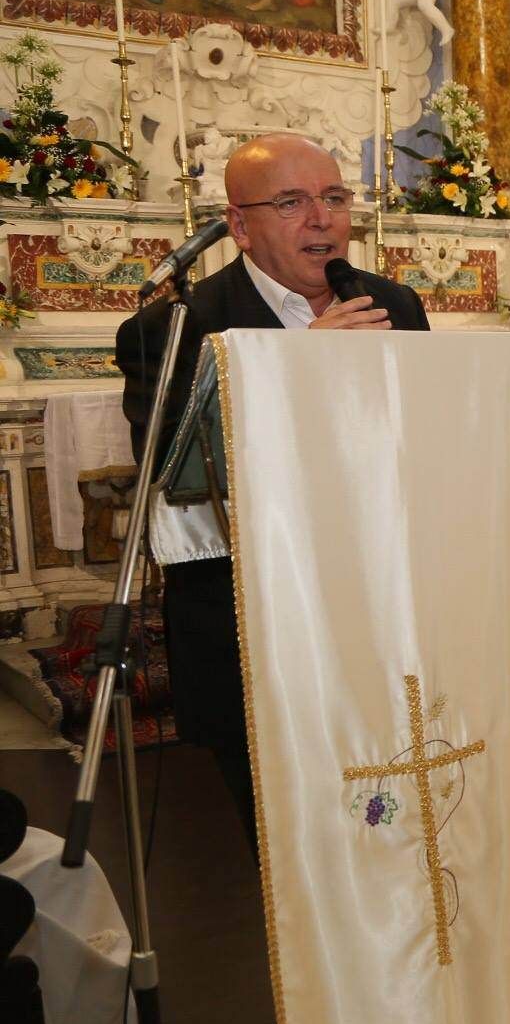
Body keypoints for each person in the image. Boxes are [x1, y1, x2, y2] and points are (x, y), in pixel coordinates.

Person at [115, 134, 429, 849]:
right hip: (252, 623)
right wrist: (300, 367)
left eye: (334, 198)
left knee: (393, 826)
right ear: (240, 225)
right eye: (291, 202)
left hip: (379, 611)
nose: (321, 219)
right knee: (292, 848)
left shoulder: (393, 304)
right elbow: (169, 473)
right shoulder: (174, 327)